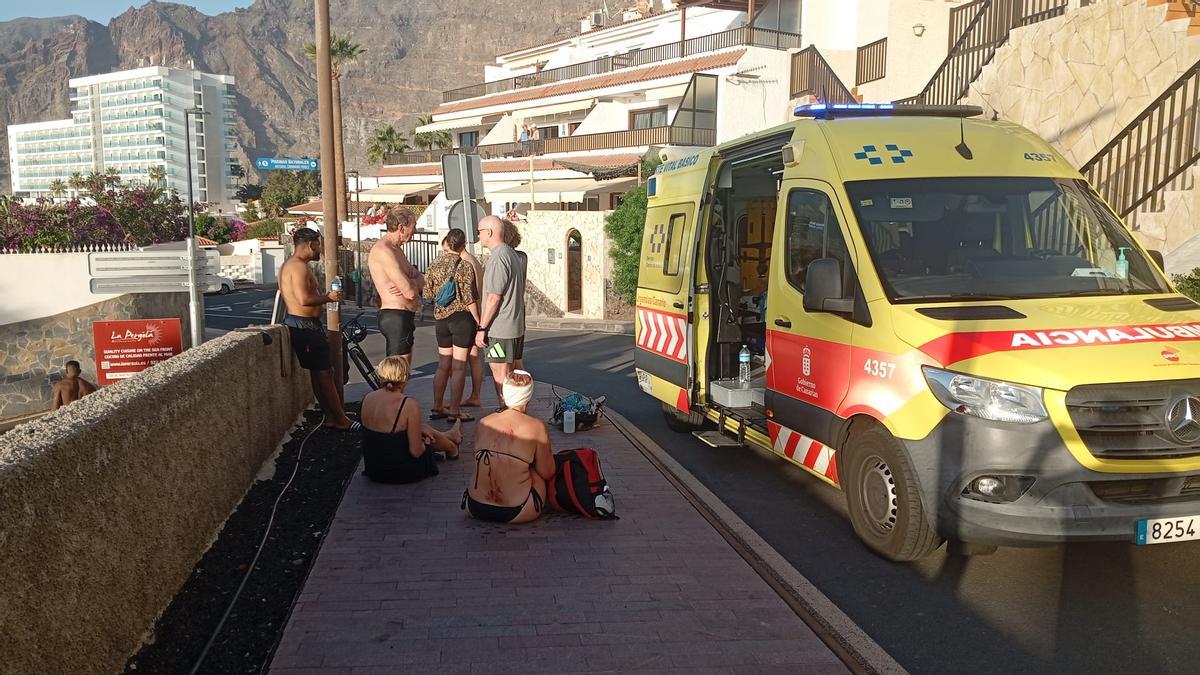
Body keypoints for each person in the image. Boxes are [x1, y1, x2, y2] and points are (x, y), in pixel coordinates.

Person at [279, 227, 358, 431]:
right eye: (318, 246)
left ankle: (331, 417)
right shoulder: (298, 268)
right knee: (324, 373)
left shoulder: (293, 265)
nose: (319, 251)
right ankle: (340, 419)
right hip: (303, 326)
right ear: (311, 245)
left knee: (320, 372)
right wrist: (328, 297)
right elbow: (304, 299)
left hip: (305, 325)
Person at [463, 371, 554, 524]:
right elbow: (548, 472)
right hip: (517, 510)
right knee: (535, 471)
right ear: (527, 398)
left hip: (474, 506)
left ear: (504, 395)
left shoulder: (483, 422)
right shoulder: (536, 426)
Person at [361, 356, 463, 483]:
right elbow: (416, 451)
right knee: (423, 433)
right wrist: (424, 443)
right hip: (400, 471)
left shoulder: (368, 398)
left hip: (375, 468)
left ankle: (450, 436)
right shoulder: (407, 404)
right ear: (404, 377)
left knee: (421, 428)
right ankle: (452, 447)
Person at [422, 228, 480, 422]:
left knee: (442, 366)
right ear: (463, 245)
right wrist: (479, 322)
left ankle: (437, 407)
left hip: (441, 320)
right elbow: (469, 298)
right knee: (459, 367)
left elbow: (428, 295)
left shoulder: (433, 265)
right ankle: (455, 411)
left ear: (447, 242)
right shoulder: (464, 266)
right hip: (461, 320)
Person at [474, 215, 527, 409]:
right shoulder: (512, 254)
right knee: (515, 373)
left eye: (479, 231)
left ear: (489, 232)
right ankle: (520, 408)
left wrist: (482, 328)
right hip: (514, 326)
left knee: (500, 373)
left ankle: (508, 412)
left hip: (499, 330)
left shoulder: (498, 257)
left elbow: (494, 297)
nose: (478, 236)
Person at [369, 206, 424, 360]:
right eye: (413, 227)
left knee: (402, 372)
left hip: (404, 316)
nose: (415, 232)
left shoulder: (397, 250)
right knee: (396, 375)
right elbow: (410, 292)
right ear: (401, 227)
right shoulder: (385, 251)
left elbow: (421, 280)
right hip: (396, 316)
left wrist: (413, 279)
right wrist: (413, 280)